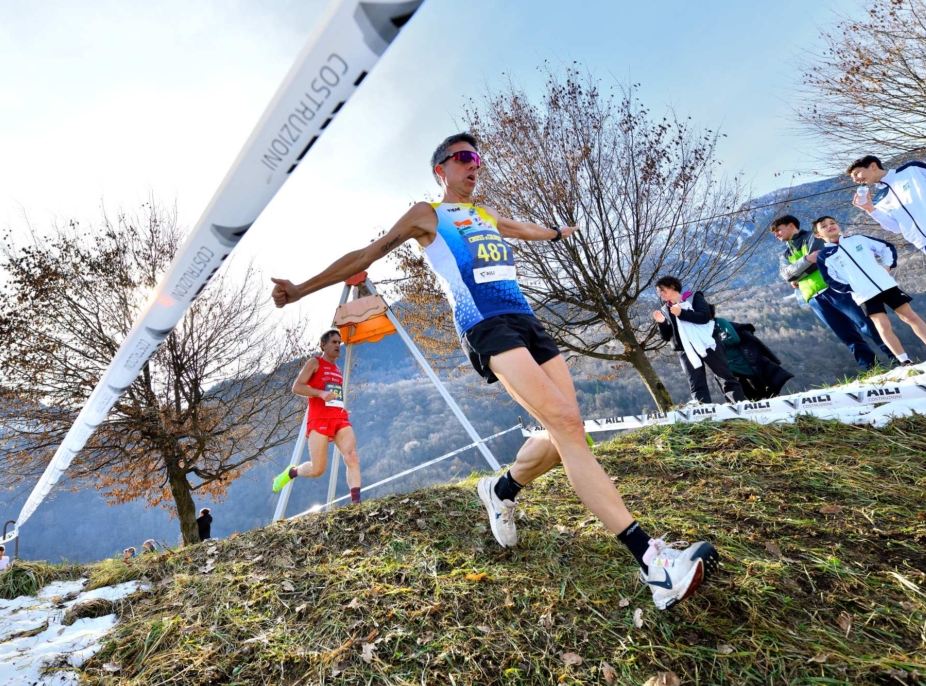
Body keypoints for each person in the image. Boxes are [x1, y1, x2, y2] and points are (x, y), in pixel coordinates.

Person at [270, 132, 719, 611]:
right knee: (567, 426)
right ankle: (653, 564)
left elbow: (519, 228)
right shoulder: (428, 214)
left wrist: (555, 234)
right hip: (484, 323)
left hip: (527, 321)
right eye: (464, 158)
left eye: (478, 159)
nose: (474, 165)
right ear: (441, 169)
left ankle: (500, 490)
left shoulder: (484, 214)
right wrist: (300, 289)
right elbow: (366, 255)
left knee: (564, 431)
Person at [814, 216, 926, 366]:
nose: (830, 226)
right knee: (883, 326)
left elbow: (886, 247)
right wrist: (854, 288)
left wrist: (887, 266)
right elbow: (831, 279)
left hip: (886, 285)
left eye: (832, 223)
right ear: (818, 235)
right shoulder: (824, 256)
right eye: (824, 226)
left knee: (909, 316)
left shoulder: (858, 239)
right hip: (865, 295)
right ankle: (904, 361)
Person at [770, 214, 893, 370]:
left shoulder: (814, 237)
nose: (776, 235)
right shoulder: (784, 255)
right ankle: (872, 367)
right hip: (814, 298)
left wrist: (798, 274)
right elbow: (787, 275)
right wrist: (807, 260)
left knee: (867, 324)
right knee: (847, 335)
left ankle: (895, 356)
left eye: (778, 230)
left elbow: (820, 260)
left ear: (791, 226)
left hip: (835, 288)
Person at [272, 329, 364, 504]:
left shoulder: (337, 369)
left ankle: (356, 503)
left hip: (338, 417)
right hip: (319, 419)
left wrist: (341, 408)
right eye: (334, 342)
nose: (338, 345)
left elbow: (334, 395)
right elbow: (297, 387)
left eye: (339, 343)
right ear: (323, 345)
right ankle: (292, 472)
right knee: (317, 470)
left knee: (352, 455)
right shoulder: (314, 363)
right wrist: (320, 393)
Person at [652, 276, 746, 405]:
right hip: (686, 349)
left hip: (708, 342)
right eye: (658, 292)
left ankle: (739, 404)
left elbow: (705, 317)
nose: (660, 294)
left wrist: (681, 313)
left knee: (724, 375)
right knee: (696, 382)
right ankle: (703, 410)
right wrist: (661, 323)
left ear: (672, 287)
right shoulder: (665, 309)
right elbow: (667, 336)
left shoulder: (694, 297)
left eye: (662, 290)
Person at [848, 155, 926, 272]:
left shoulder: (912, 169)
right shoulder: (878, 200)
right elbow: (896, 228)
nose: (855, 180)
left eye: (856, 173)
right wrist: (870, 209)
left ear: (873, 166)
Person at [714, 316, 793, 401]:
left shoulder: (719, 322)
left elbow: (734, 339)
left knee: (764, 389)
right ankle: (753, 404)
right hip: (729, 366)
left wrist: (717, 343)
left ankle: (776, 402)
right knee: (745, 393)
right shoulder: (705, 330)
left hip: (744, 361)